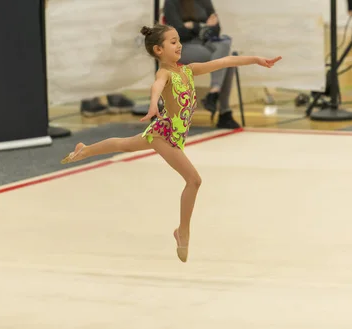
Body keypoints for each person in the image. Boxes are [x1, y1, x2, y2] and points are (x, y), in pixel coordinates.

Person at [60, 23, 281, 262]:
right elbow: (156, 86)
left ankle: (84, 149)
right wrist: (154, 103)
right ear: (158, 50)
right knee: (194, 180)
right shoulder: (164, 73)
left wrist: (256, 59)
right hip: (163, 135)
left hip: (169, 133)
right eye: (173, 42)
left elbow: (224, 62)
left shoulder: (188, 70)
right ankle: (182, 231)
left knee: (124, 144)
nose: (179, 45)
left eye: (178, 40)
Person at [163, 0, 240, 129]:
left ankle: (215, 93)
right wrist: (202, 27)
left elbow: (216, 29)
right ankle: (223, 111)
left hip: (204, 44)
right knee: (226, 58)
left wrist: (192, 26)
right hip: (182, 47)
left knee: (226, 50)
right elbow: (178, 33)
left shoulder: (205, 1)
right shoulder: (171, 2)